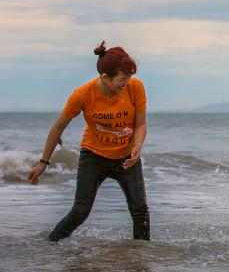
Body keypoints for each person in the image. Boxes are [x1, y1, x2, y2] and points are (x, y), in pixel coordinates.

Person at [28, 42, 151, 241]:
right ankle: (48, 247)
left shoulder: (135, 87)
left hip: (127, 158)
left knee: (140, 211)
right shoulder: (82, 95)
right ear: (105, 77)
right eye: (122, 78)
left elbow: (141, 125)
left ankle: (139, 260)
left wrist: (137, 147)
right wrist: (43, 163)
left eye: (130, 76)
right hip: (94, 157)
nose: (127, 82)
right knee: (80, 211)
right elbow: (58, 127)